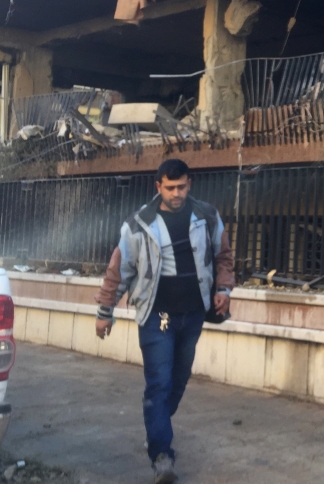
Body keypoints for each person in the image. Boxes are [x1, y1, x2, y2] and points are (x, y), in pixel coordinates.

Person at [95, 159, 233, 484]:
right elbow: (119, 270)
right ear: (158, 187)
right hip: (157, 316)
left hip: (193, 314)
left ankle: (156, 427)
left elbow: (223, 256)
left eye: (181, 186)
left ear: (189, 183)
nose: (176, 193)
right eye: (170, 188)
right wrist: (105, 312)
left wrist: (224, 289)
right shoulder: (138, 223)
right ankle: (162, 456)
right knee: (159, 383)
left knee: (179, 380)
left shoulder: (207, 216)